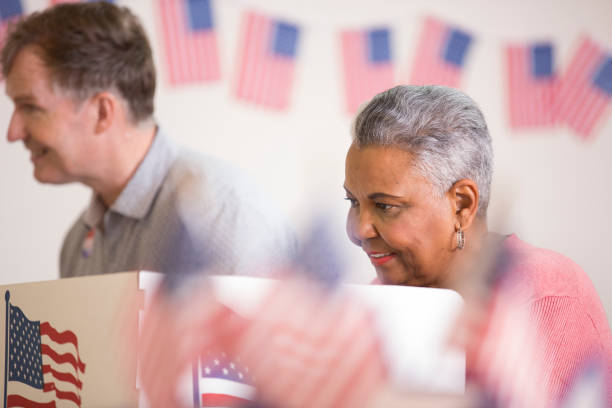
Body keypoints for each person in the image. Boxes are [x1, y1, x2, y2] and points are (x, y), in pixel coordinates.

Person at [343, 84, 612, 406]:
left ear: (462, 205)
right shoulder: (378, 302)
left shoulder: (542, 293)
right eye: (352, 201)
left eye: (385, 206)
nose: (358, 229)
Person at [2, 2, 294, 280]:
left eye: (30, 107)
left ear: (102, 112)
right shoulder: (76, 243)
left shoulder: (225, 219)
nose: (13, 132)